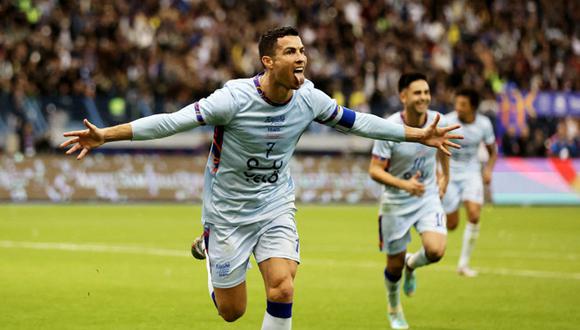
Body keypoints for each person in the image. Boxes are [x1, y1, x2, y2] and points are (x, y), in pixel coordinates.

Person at [60, 27, 461, 330]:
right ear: (268, 62)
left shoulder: (310, 99)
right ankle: (208, 249)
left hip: (274, 205)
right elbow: (172, 122)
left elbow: (361, 123)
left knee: (283, 287)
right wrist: (106, 136)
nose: (301, 57)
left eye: (303, 50)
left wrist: (419, 134)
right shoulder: (232, 99)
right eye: (290, 52)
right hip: (227, 212)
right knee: (232, 312)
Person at [369, 72, 450, 330]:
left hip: (426, 195)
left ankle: (412, 265)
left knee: (436, 250)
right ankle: (394, 309)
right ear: (403, 96)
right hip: (396, 201)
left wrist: (445, 176)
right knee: (393, 266)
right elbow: (375, 170)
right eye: (417, 92)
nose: (424, 97)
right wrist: (405, 185)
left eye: (426, 92)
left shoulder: (438, 120)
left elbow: (443, 147)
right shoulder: (389, 128)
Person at [442, 88, 497, 277]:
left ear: (473, 107)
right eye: (456, 103)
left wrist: (488, 169)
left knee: (474, 214)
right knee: (452, 224)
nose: (458, 108)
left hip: (472, 173)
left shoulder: (484, 124)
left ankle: (463, 265)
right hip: (449, 173)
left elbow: (492, 151)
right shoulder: (447, 121)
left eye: (463, 104)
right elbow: (435, 149)